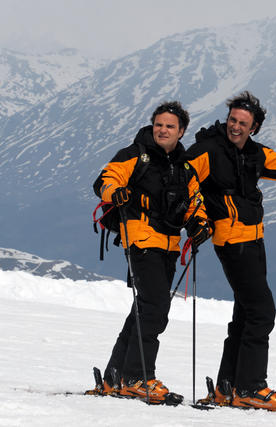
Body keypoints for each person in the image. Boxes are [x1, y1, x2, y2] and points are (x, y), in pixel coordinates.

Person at [187, 91, 276, 411]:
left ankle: (227, 388)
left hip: (254, 238)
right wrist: (197, 218)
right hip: (231, 240)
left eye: (243, 123)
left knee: (245, 313)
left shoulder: (255, 153)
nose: (235, 126)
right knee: (261, 311)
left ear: (254, 127)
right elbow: (182, 178)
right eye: (232, 119)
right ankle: (250, 387)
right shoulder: (208, 150)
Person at [88, 101, 211, 404]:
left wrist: (200, 224)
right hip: (141, 240)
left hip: (168, 244)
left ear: (181, 131)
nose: (162, 130)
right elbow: (105, 179)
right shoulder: (135, 154)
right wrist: (114, 192)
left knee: (143, 310)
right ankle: (137, 378)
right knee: (155, 308)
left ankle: (114, 377)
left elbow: (195, 200)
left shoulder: (183, 165)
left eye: (170, 126)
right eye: (159, 124)